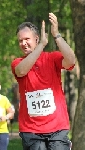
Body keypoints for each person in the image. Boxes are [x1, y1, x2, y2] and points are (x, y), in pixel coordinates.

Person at [11, 12, 75, 150]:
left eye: (27, 39)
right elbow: (21, 71)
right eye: (20, 41)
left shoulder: (52, 58)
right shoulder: (18, 62)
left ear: (36, 38)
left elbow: (71, 61)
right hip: (31, 130)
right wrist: (41, 45)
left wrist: (56, 35)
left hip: (57, 127)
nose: (23, 43)